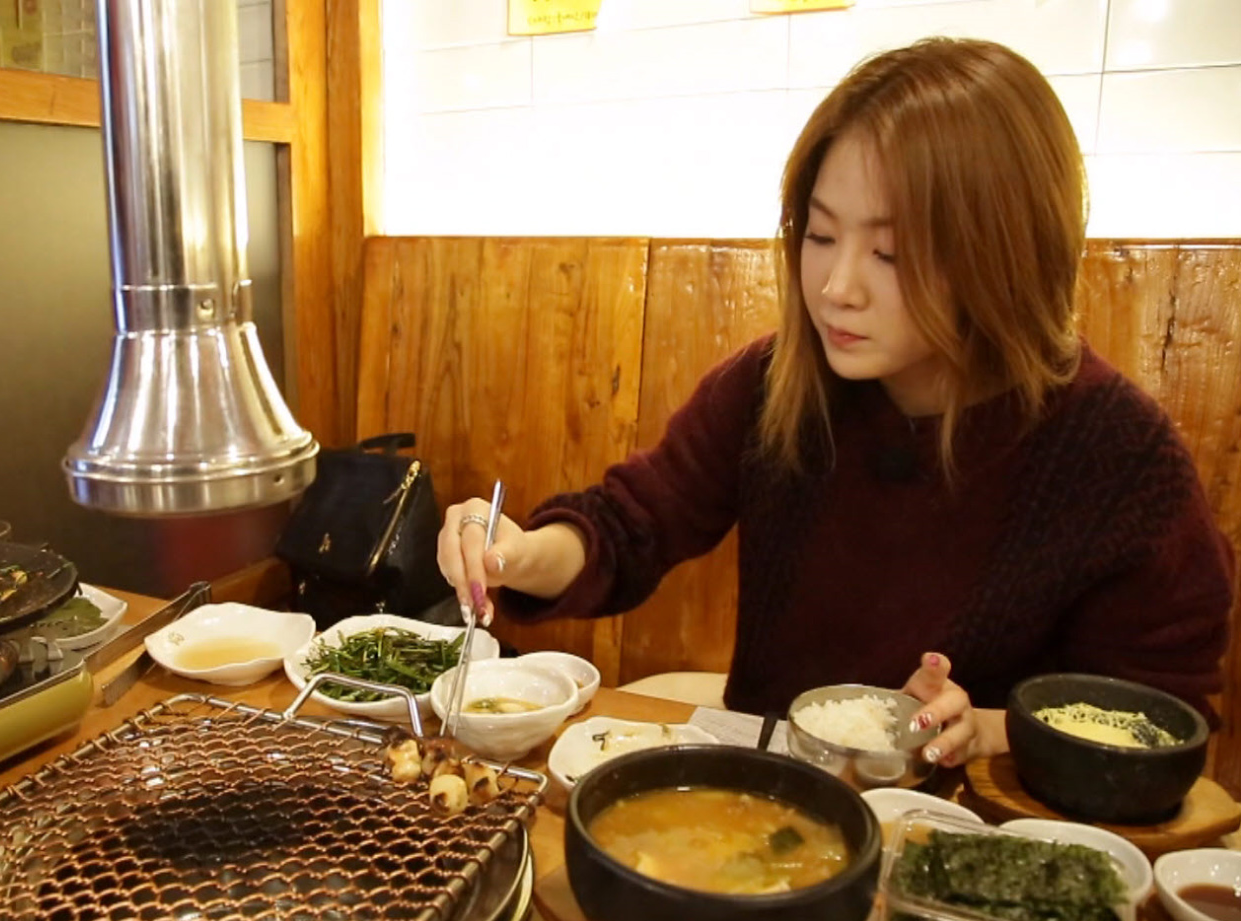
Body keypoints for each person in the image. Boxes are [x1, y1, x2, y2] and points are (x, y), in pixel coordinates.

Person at [434, 37, 1234, 768]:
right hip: (769, 795)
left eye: (890, 251)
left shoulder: (1116, 453)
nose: (836, 286)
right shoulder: (777, 383)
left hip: (979, 831)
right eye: (819, 237)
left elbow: (1157, 718)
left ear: (1004, 251)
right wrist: (516, 553)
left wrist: (989, 728)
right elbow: (628, 525)